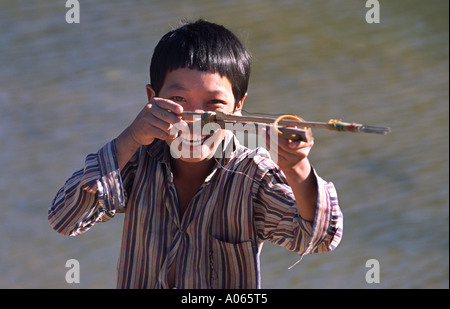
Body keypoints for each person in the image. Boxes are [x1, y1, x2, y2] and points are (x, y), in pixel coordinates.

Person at [49, 19, 343, 289]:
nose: (194, 118)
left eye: (213, 104)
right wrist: (130, 138)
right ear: (152, 99)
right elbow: (65, 218)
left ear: (238, 108)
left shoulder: (254, 177)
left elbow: (318, 238)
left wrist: (297, 169)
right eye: (178, 100)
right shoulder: (137, 161)